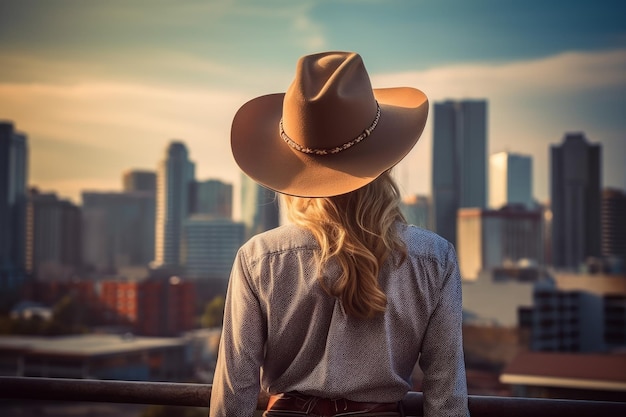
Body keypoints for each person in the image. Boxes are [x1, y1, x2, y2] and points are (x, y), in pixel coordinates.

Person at [210, 51, 469, 417]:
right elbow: (447, 395)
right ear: (384, 159)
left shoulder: (259, 257)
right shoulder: (433, 257)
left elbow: (234, 389)